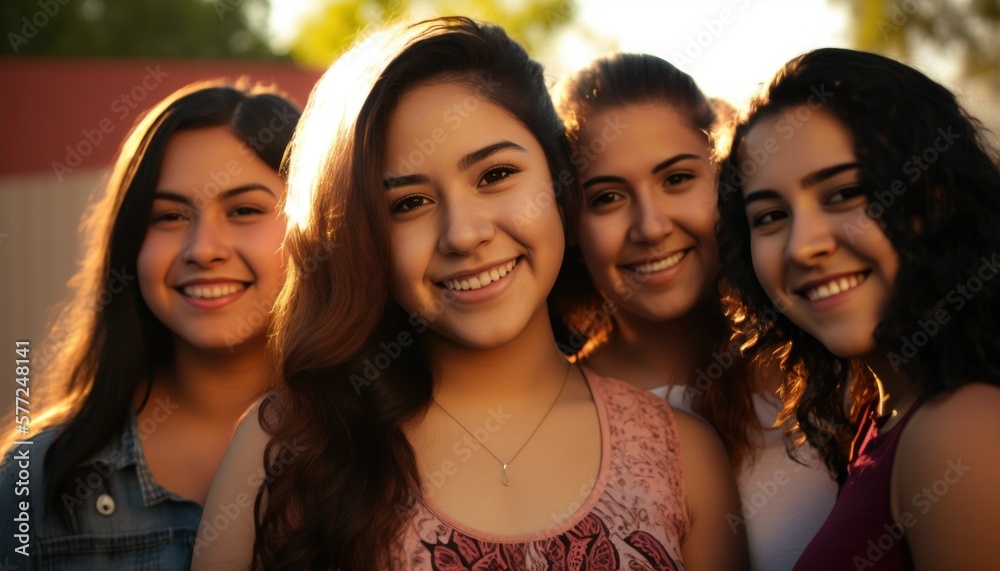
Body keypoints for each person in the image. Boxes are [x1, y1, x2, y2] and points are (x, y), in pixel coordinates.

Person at [194, 17, 746, 571]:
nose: (463, 233)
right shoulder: (289, 446)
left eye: (495, 174)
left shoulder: (682, 457)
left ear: (559, 181)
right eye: (408, 204)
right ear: (363, 237)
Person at [715, 47, 1000, 570]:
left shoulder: (960, 429)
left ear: (936, 193)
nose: (803, 246)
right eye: (771, 215)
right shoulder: (881, 413)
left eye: (845, 192)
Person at [0, 80, 301, 569]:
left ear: (314, 229)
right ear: (130, 244)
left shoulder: (388, 454)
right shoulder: (35, 475)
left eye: (244, 210)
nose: (203, 248)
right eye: (169, 216)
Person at [552, 53, 836, 570]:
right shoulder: (553, 417)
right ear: (570, 225)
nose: (651, 226)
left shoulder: (826, 356)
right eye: (608, 197)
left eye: (677, 179)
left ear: (725, 184)